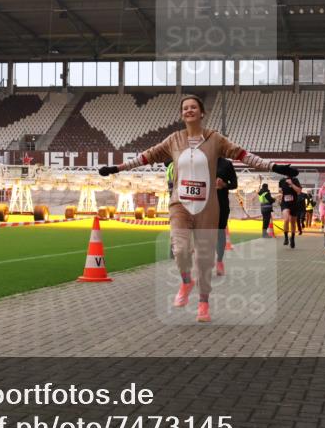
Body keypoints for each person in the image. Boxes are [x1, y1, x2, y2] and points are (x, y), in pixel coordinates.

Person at [99, 95, 297, 322]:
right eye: (185, 108)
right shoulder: (173, 139)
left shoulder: (216, 139)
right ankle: (186, 282)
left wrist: (275, 167)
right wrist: (117, 168)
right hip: (179, 204)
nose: (189, 110)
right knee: (180, 249)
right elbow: (147, 156)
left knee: (204, 259)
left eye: (193, 107)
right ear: (181, 114)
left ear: (202, 113)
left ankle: (203, 303)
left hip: (207, 206)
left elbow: (245, 156)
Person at [214, 157, 238, 276]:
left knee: (219, 233)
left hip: (221, 203)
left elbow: (234, 184)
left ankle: (219, 261)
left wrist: (223, 184)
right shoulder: (202, 160)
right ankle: (204, 263)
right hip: (204, 204)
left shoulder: (226, 164)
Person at [279, 175, 303, 248]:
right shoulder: (281, 181)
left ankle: (292, 238)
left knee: (293, 223)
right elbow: (280, 191)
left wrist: (291, 184)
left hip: (294, 204)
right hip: (285, 203)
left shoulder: (295, 180)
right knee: (286, 220)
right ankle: (286, 237)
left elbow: (299, 191)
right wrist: (280, 198)